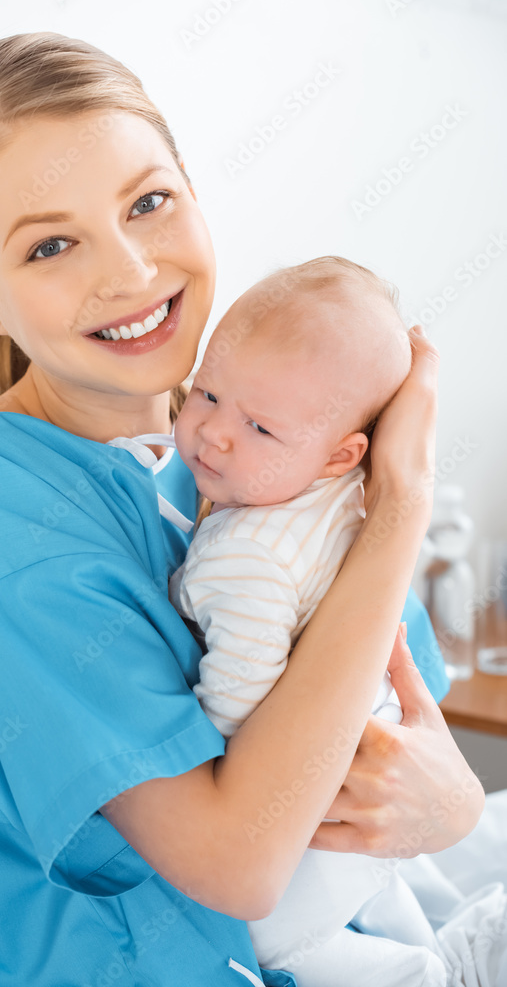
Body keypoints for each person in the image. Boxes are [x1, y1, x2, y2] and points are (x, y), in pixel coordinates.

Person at [0, 32, 484, 987]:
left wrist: (452, 808)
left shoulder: (234, 462)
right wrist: (399, 504)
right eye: (50, 244)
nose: (127, 271)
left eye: (148, 202)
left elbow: (392, 734)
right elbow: (235, 863)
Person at [170, 256, 450, 985]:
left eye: (260, 427)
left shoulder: (244, 557)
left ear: (341, 454)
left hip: (307, 829)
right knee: (406, 908)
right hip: (372, 798)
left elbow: (234, 704)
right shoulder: (341, 498)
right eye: (206, 392)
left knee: (302, 950)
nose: (214, 436)